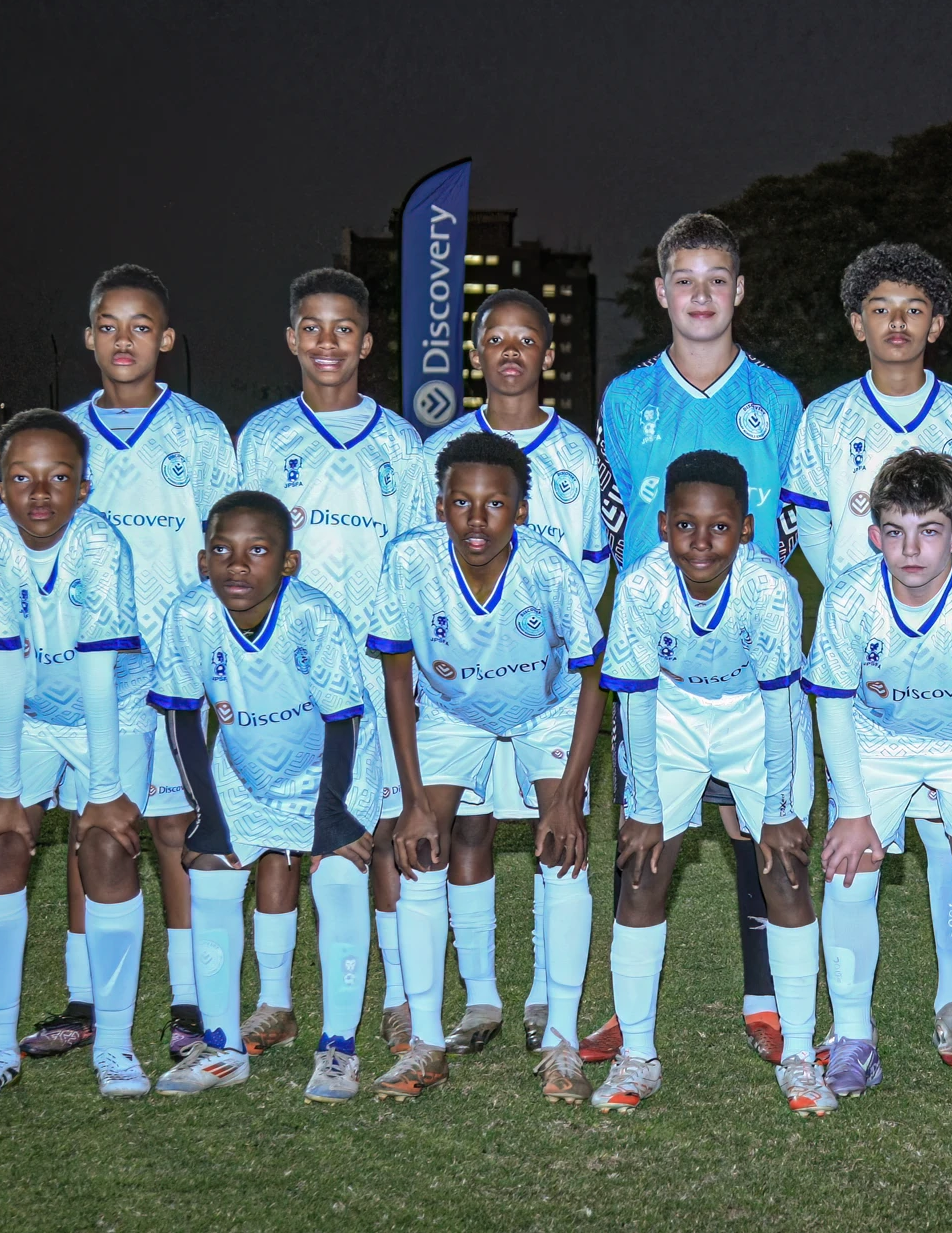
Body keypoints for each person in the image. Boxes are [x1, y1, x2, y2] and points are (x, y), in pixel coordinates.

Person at [785, 242, 952, 1066]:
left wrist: (937, 600)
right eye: (881, 308)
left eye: (914, 309)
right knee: (851, 862)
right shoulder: (826, 419)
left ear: (937, 324)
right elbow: (813, 524)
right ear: (857, 322)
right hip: (869, 665)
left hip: (949, 671)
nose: (897, 322)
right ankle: (852, 1034)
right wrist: (868, 601)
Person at [593, 214, 807, 1065]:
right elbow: (619, 526)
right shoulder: (625, 400)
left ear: (739, 290)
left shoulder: (779, 399)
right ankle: (623, 1011)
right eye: (686, 279)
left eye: (718, 278)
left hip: (745, 654)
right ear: (661, 292)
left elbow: (783, 531)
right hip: (657, 658)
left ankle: (765, 999)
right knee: (642, 823)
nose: (702, 295)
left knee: (756, 829)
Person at [15, 265, 236, 1067]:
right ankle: (86, 1002)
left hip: (175, 669)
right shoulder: (62, 435)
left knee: (176, 827)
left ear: (166, 341)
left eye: (141, 326)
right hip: (87, 671)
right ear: (87, 337)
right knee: (91, 826)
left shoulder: (204, 434)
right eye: (108, 324)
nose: (124, 339)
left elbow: (226, 555)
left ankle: (187, 1004)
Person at [366, 433, 605, 1102]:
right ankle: (424, 1044)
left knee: (563, 849)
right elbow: (397, 677)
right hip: (450, 712)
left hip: (547, 709)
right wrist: (414, 797)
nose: (477, 520)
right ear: (440, 506)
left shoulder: (550, 570)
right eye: (462, 503)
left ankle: (562, 1040)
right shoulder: (410, 561)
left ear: (521, 510)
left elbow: (592, 679)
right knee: (416, 847)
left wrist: (566, 800)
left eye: (494, 504)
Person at [594, 451, 833, 1116]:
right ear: (665, 524)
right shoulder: (642, 587)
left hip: (755, 719)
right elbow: (635, 701)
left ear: (747, 528)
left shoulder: (770, 588)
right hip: (670, 716)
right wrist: (642, 806)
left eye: (719, 527)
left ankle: (799, 1056)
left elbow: (783, 703)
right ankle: (637, 1053)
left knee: (783, 869)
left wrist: (781, 809)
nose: (702, 542)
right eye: (687, 526)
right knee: (643, 868)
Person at [236, 269, 434, 1060]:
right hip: (283, 668)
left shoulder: (400, 445)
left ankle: (394, 998)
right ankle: (275, 999)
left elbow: (418, 562)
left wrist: (410, 670)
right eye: (311, 327)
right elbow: (239, 558)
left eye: (342, 328)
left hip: (376, 670)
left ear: (366, 342)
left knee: (381, 832)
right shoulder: (262, 438)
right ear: (291, 338)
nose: (327, 342)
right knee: (281, 834)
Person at [147, 492, 382, 1101]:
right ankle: (223, 1047)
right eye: (222, 550)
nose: (237, 565)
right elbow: (181, 719)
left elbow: (342, 721)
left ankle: (338, 1050)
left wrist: (333, 815)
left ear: (288, 562)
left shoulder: (315, 618)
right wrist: (206, 815)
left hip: (336, 770)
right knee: (214, 880)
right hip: (244, 770)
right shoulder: (188, 617)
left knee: (337, 882)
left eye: (258, 551)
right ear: (203, 561)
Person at [423, 290, 610, 1056]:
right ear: (476, 354)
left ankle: (543, 993)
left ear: (547, 355)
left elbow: (594, 564)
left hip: (547, 685)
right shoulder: (440, 446)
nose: (509, 350)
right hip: (459, 685)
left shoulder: (574, 453)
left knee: (553, 825)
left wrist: (550, 653)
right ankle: (481, 997)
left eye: (525, 338)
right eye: (494, 337)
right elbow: (424, 557)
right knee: (466, 825)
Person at [0, 411, 155, 1099]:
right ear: (1, 486)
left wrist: (103, 788)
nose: (40, 494)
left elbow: (100, 672)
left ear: (85, 486)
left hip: (114, 708)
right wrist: (5, 788)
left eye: (59, 477)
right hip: (30, 714)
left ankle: (118, 1047)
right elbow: (2, 671)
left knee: (106, 843)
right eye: (22, 477)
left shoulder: (102, 546)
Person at [802, 451, 952, 1103]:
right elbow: (831, 702)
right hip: (877, 741)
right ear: (874, 534)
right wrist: (854, 810)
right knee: (847, 870)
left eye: (929, 530)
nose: (911, 548)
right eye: (895, 530)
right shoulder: (849, 597)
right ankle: (853, 1037)